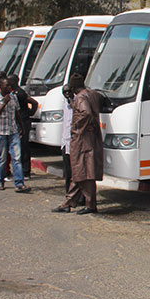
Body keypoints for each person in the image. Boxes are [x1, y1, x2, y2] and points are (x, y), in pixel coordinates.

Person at [53, 74, 103, 214]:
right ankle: (70, 202)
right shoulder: (93, 94)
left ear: (74, 88)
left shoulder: (80, 97)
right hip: (92, 138)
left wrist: (76, 127)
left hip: (82, 139)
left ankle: (83, 204)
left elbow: (85, 113)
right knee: (85, 171)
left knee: (80, 170)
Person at [0, 78, 30, 192]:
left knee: (17, 158)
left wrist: (21, 127)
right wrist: (3, 104)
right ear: (0, 86)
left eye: (9, 85)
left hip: (13, 131)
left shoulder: (14, 97)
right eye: (6, 86)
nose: (9, 87)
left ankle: (19, 183)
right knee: (2, 158)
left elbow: (17, 113)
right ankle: (1, 180)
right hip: (1, 132)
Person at [7, 74, 38, 178]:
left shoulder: (20, 93)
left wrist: (29, 113)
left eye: (9, 81)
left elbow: (34, 103)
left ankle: (26, 171)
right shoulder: (11, 92)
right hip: (16, 122)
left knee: (24, 146)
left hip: (23, 122)